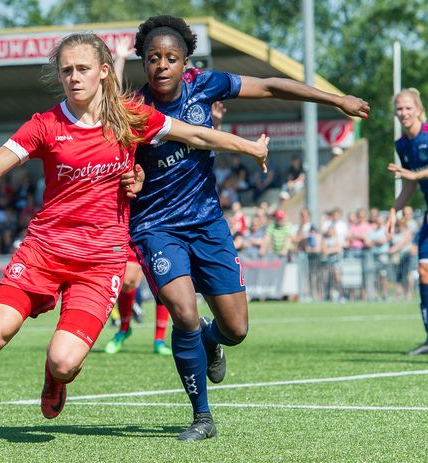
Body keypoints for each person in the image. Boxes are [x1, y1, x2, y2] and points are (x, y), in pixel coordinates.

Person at [0, 32, 268, 450]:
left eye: (82, 69)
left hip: (100, 262)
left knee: (63, 361)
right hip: (43, 251)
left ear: (102, 72)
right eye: (66, 71)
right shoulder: (45, 125)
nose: (73, 78)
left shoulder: (130, 117)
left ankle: (54, 378)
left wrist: (249, 148)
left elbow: (198, 136)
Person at [113, 15, 370, 440]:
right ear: (143, 62)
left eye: (171, 58)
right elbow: (121, 167)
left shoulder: (206, 84)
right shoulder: (131, 112)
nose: (162, 65)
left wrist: (336, 99)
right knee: (184, 313)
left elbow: (270, 85)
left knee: (236, 329)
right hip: (156, 227)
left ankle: (212, 341)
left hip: (208, 224)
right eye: (153, 58)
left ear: (185, 62)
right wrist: (132, 178)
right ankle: (202, 417)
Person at [386, 88, 428, 354]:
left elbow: (413, 178)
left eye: (408, 108)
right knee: (423, 271)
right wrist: (393, 210)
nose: (403, 113)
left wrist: (414, 176)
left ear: (418, 109)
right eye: (399, 109)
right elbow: (409, 187)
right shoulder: (401, 144)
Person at [104, 251, 172, 355]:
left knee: (162, 280)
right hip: (132, 235)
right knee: (127, 281)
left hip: (158, 235)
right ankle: (124, 328)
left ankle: (159, 339)